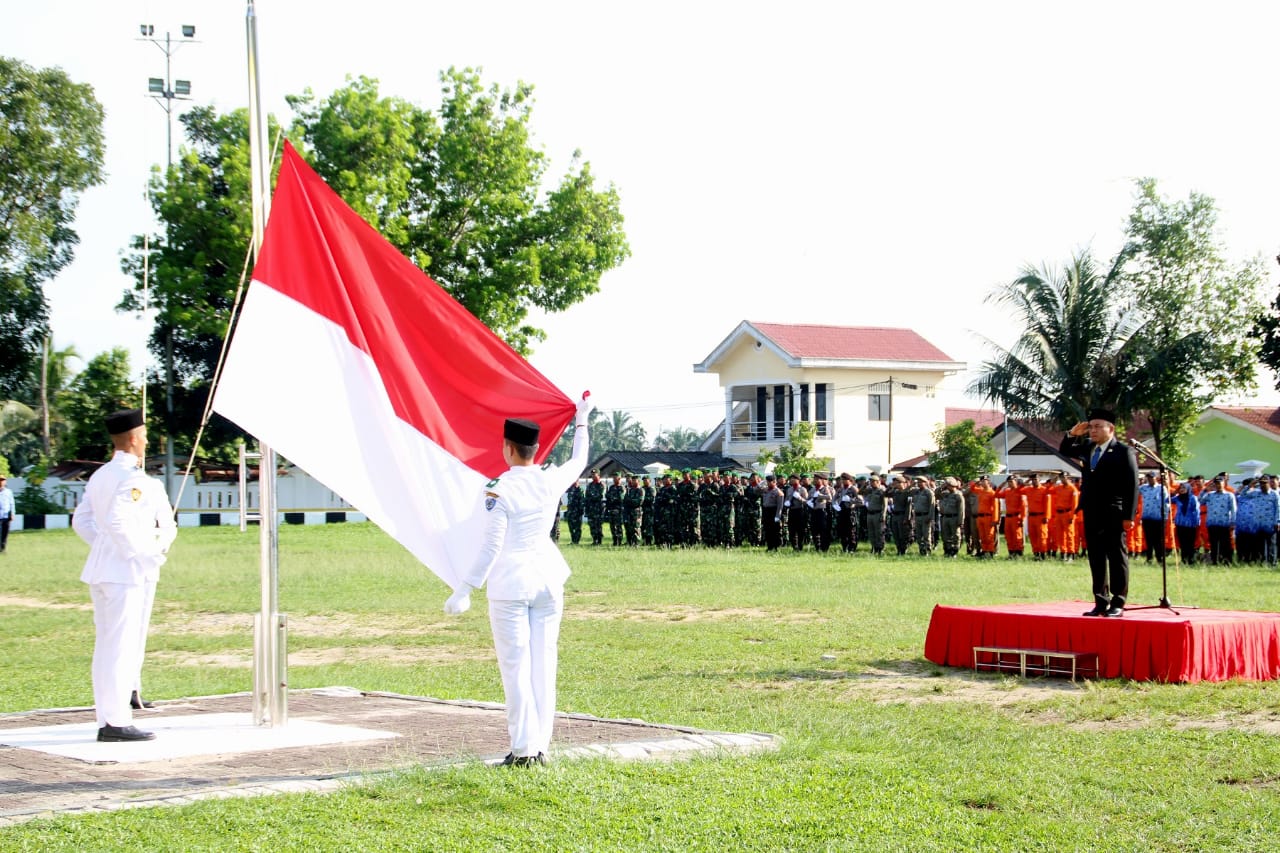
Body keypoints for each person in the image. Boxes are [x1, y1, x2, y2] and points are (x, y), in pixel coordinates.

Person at [444, 394, 591, 767]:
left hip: (512, 583)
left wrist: (465, 589)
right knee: (544, 665)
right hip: (548, 579)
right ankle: (539, 746)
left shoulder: (500, 489)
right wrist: (583, 420)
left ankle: (523, 750)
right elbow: (579, 460)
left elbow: (492, 546)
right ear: (536, 449)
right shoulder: (549, 480)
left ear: (508, 449)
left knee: (516, 667)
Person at [72, 409, 177, 742]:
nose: (146, 441)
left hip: (107, 569)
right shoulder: (132, 477)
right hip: (124, 572)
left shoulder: (102, 474)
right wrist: (144, 553)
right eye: (144, 435)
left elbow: (83, 522)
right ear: (133, 439)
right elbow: (118, 523)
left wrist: (105, 547)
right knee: (120, 646)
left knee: (108, 646)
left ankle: (110, 716)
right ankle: (116, 721)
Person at [1059, 409, 1139, 617]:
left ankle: (1118, 602)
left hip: (1114, 512)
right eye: (1091, 426)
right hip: (1092, 510)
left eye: (1097, 426)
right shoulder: (1087, 447)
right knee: (1096, 556)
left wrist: (1129, 516)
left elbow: (1132, 486)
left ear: (1110, 429)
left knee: (1116, 556)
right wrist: (1072, 433)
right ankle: (1100, 601)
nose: (1092, 431)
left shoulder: (1123, 451)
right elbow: (1065, 450)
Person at [0, 474, 13, 553]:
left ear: (5, 482)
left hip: (6, 515)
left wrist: (12, 513)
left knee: (5, 534)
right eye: (0, 480)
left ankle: (3, 549)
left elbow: (12, 503)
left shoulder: (8, 492)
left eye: (2, 480)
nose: (1, 482)